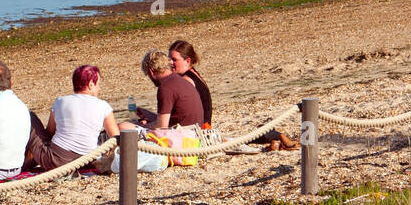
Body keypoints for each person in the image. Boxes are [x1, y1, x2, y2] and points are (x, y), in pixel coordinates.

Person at [168, 38, 296, 150]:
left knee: (233, 142)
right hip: (206, 126)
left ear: (187, 61)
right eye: (169, 59)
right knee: (239, 140)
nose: (170, 63)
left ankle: (270, 136)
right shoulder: (195, 75)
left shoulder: (186, 80)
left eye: (174, 60)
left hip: (201, 130)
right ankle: (269, 136)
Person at [25, 65, 120, 171]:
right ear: (90, 84)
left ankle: (24, 163)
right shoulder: (104, 106)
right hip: (87, 162)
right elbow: (116, 138)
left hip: (56, 162)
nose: (99, 88)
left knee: (29, 116)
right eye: (98, 84)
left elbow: (50, 132)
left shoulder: (61, 101)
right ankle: (29, 163)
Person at [120, 50, 204, 131]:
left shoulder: (166, 88)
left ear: (151, 72)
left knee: (122, 127)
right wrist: (148, 115)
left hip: (182, 138)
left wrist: (142, 126)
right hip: (195, 132)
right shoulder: (180, 81)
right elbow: (170, 119)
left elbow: (161, 127)